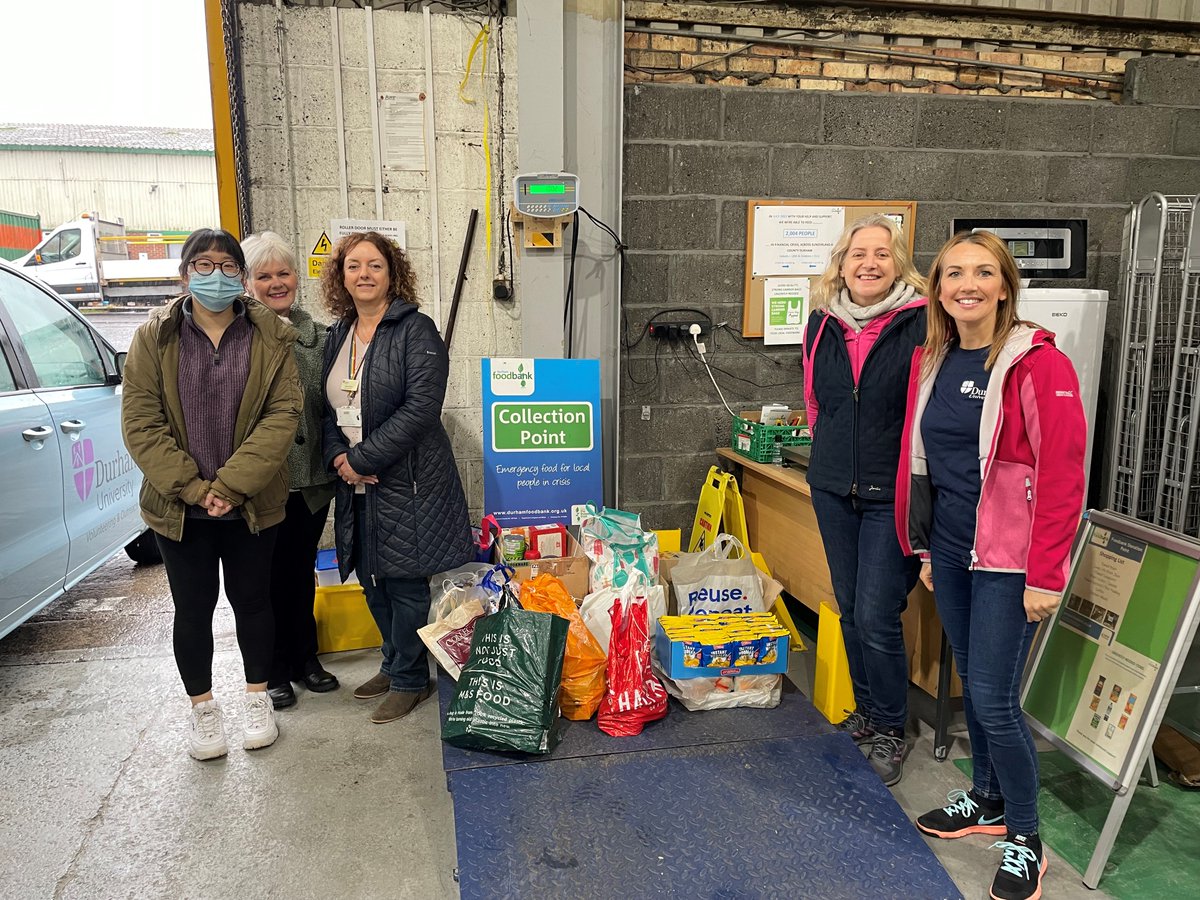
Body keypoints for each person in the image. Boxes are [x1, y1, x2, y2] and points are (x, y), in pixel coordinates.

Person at [896, 231, 1085, 900]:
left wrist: (1045, 573)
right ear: (938, 289)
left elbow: (1063, 475)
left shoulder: (1038, 364)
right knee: (973, 683)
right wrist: (924, 547)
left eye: (982, 273)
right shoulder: (936, 359)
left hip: (1010, 560)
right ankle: (987, 797)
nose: (965, 284)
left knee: (996, 702)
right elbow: (928, 466)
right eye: (952, 274)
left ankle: (1025, 838)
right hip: (949, 548)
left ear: (1005, 286)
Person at [121, 228, 301, 760]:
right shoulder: (153, 338)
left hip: (251, 501)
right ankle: (203, 710)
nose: (216, 275)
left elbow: (281, 415)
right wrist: (196, 489)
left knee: (253, 602)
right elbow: (141, 422)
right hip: (180, 507)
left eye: (227, 265)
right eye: (203, 264)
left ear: (240, 277)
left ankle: (255, 699)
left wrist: (228, 486)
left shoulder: (272, 336)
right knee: (192, 610)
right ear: (184, 274)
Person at [320, 231, 473, 724]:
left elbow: (422, 409)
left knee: (406, 585)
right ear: (340, 276)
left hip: (408, 481)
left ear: (392, 273)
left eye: (375, 265)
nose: (363, 274)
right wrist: (338, 458)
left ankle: (412, 680)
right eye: (353, 266)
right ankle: (393, 662)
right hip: (356, 480)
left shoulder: (415, 329)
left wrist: (363, 458)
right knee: (371, 579)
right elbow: (325, 409)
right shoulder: (337, 334)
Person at [802, 214, 927, 786]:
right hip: (833, 489)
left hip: (890, 493)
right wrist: (825, 462)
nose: (869, 263)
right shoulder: (821, 324)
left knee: (877, 615)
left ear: (899, 262)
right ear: (842, 263)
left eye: (882, 253)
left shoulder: (924, 324)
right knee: (851, 609)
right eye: (859, 254)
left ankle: (893, 728)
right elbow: (814, 402)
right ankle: (869, 713)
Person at [242, 231, 339, 710]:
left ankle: (307, 659)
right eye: (264, 276)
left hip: (312, 481)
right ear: (247, 282)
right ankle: (272, 668)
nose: (276, 283)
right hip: (262, 481)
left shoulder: (318, 335)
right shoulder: (237, 334)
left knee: (301, 572)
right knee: (263, 580)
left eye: (283, 273)